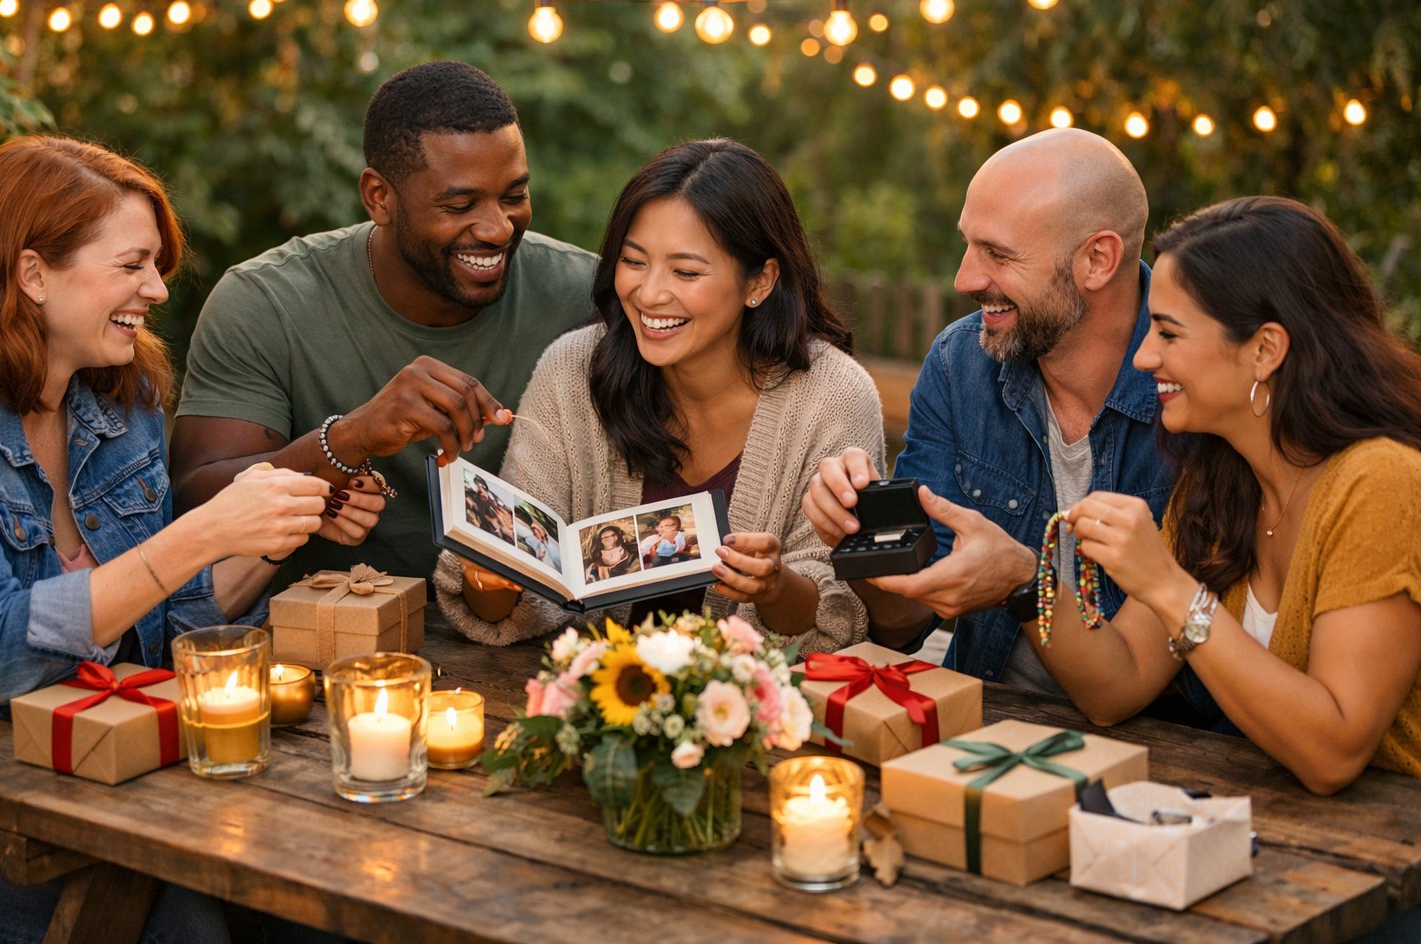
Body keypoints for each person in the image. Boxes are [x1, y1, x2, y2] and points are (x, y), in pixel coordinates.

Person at [0, 136, 340, 943]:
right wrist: (201, 531)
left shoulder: (119, 402)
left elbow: (178, 627)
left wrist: (274, 533)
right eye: (133, 265)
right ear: (32, 275)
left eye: (157, 265)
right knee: (186, 932)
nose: (158, 288)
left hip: (109, 789)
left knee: (304, 899)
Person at [1032, 197, 1421, 794]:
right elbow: (1120, 685)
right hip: (1290, 837)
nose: (1144, 357)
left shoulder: (1382, 483)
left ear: (1266, 349)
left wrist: (1168, 586)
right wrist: (1015, 581)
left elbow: (1333, 752)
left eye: (1168, 332)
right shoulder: (1220, 480)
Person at [438, 139, 882, 651]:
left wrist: (775, 587)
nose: (649, 294)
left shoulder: (833, 398)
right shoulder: (573, 370)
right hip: (593, 697)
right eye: (633, 261)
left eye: (686, 272)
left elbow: (838, 620)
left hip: (759, 712)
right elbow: (511, 606)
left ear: (759, 280)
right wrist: (488, 575)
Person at [170, 61, 597, 581]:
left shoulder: (586, 295)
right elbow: (193, 504)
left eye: (514, 196)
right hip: (322, 643)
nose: (497, 228)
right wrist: (350, 440)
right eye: (460, 203)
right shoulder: (265, 302)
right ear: (379, 196)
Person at [803, 128, 1180, 701]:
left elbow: (1122, 695)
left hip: (1169, 751)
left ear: (1098, 259)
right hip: (983, 715)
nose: (965, 279)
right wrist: (861, 538)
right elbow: (906, 625)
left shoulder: (1191, 391)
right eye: (968, 245)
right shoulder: (960, 364)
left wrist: (1024, 581)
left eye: (998, 254)